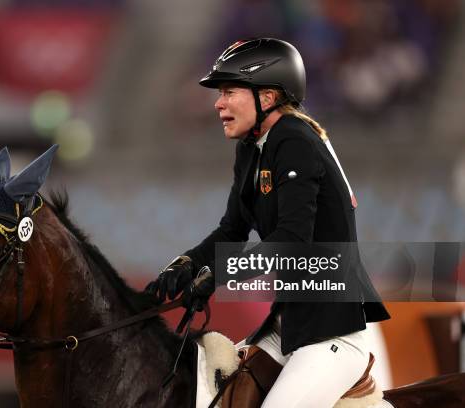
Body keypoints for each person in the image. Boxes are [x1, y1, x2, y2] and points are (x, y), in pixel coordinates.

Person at [145, 38, 390, 407]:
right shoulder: (251, 148)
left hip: (332, 337)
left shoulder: (294, 139)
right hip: (288, 326)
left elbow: (291, 239)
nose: (218, 103)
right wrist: (186, 264)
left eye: (229, 91)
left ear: (269, 97)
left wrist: (217, 275)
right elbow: (231, 231)